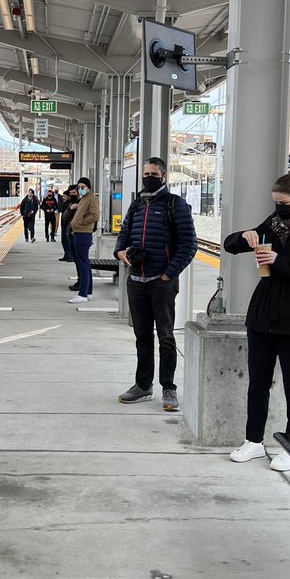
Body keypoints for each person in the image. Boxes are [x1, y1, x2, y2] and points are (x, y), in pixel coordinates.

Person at [223, 163, 290, 471]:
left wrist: (278, 261)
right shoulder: (272, 224)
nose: (279, 209)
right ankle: (253, 442)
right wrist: (243, 237)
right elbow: (231, 245)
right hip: (262, 318)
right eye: (275, 203)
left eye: (284, 204)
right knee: (257, 383)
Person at [114, 157, 198, 412]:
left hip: (161, 283)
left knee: (166, 337)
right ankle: (143, 386)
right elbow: (124, 235)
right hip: (136, 281)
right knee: (142, 337)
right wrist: (120, 253)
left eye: (153, 173)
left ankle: (169, 388)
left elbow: (189, 245)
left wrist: (168, 274)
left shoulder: (175, 205)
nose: (148, 177)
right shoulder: (137, 204)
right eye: (145, 173)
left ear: (164, 176)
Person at [68, 176, 100, 303]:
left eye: (83, 187)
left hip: (83, 233)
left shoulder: (92, 199)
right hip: (78, 233)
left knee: (83, 264)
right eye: (79, 187)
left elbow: (95, 215)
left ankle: (82, 294)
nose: (80, 189)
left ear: (88, 187)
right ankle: (88, 292)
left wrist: (81, 222)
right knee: (84, 263)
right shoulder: (83, 198)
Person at [58, 185, 79, 262]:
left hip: (72, 227)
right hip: (66, 225)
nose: (63, 197)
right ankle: (67, 255)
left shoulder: (81, 202)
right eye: (70, 193)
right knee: (65, 241)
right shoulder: (69, 204)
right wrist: (70, 209)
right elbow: (64, 216)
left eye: (74, 193)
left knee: (70, 242)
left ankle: (71, 256)